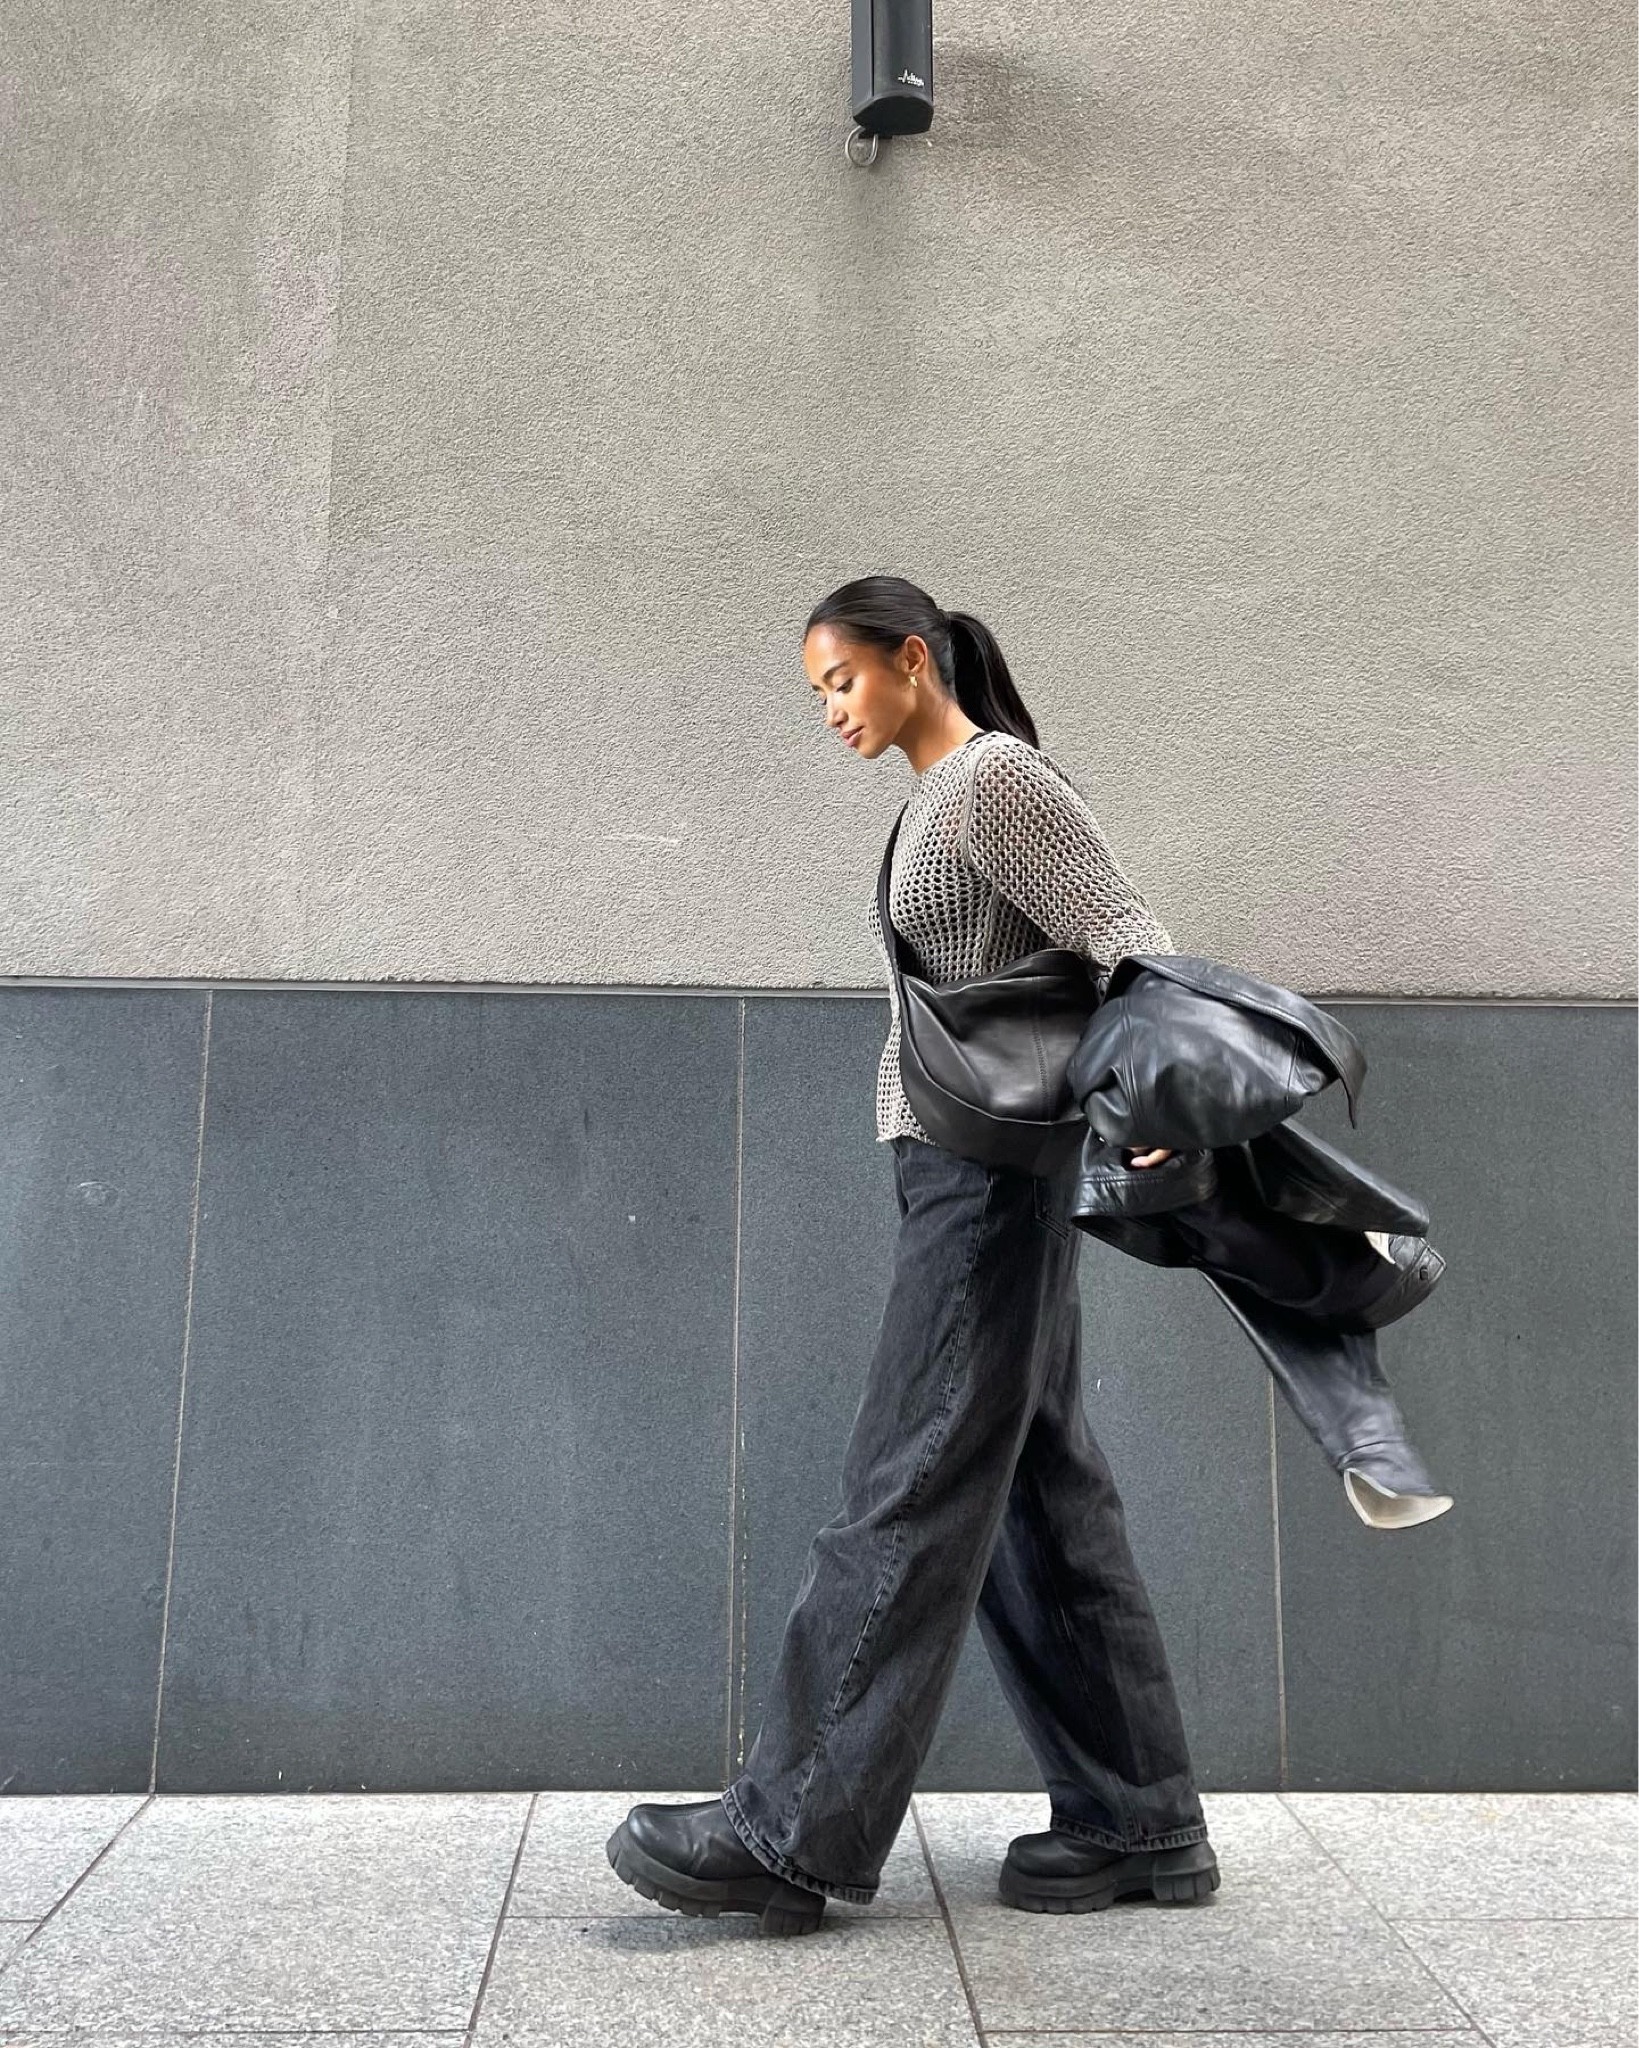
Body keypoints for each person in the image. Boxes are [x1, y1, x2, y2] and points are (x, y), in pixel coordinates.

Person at [606, 574, 1220, 1936]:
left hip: (989, 1188)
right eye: (817, 691)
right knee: (1036, 1494)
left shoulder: (997, 784)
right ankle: (1139, 1819)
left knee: (903, 1482)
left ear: (913, 656)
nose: (830, 709)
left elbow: (1130, 935)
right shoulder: (930, 800)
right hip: (963, 1172)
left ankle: (792, 1825)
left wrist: (1166, 1107)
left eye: (842, 679)